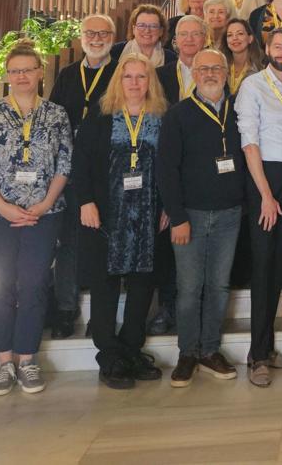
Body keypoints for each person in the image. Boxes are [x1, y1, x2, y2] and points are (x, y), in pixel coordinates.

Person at [0, 41, 73, 397]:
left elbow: (64, 163)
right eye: (14, 71)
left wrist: (45, 204)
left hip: (43, 214)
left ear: (39, 73)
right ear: (7, 75)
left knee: (33, 284)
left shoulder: (56, 115)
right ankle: (4, 361)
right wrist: (1, 206)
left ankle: (27, 359)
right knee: (0, 285)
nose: (21, 76)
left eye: (27, 70)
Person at [73, 53, 168, 390]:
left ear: (150, 82)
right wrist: (85, 200)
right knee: (105, 284)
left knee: (143, 284)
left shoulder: (161, 118)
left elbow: (172, 167)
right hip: (106, 214)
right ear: (119, 80)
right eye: (128, 76)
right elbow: (80, 162)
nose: (134, 83)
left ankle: (131, 349)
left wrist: (169, 207)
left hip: (148, 215)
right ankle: (109, 354)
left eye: (142, 77)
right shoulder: (100, 117)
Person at [157, 48, 245, 388]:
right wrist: (177, 216)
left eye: (216, 68)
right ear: (193, 74)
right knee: (190, 288)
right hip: (189, 216)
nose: (210, 74)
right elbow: (167, 170)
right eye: (203, 69)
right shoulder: (178, 115)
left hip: (229, 214)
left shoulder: (239, 110)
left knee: (219, 286)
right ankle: (187, 353)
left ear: (226, 73)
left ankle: (210, 350)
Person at [235, 29, 282, 387]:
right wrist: (265, 194)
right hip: (264, 177)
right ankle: (258, 356)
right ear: (267, 49)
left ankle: (267, 347)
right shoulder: (253, 86)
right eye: (278, 46)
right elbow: (249, 143)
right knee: (263, 266)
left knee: (280, 263)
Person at [47, 13, 119, 338]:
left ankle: (102, 312)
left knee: (105, 239)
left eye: (103, 34)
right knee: (69, 240)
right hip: (70, 168)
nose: (96, 38)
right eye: (91, 33)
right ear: (81, 37)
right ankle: (66, 309)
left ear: (113, 38)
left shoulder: (120, 72)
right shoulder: (67, 74)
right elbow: (53, 118)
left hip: (107, 170)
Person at [157, 15, 207, 102]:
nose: (189, 39)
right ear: (176, 39)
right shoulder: (159, 75)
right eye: (183, 34)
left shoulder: (215, 73)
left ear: (205, 39)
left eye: (195, 34)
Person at [224, 18, 263, 96]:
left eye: (240, 34)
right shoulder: (221, 66)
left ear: (250, 39)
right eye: (230, 35)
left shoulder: (262, 67)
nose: (235, 38)